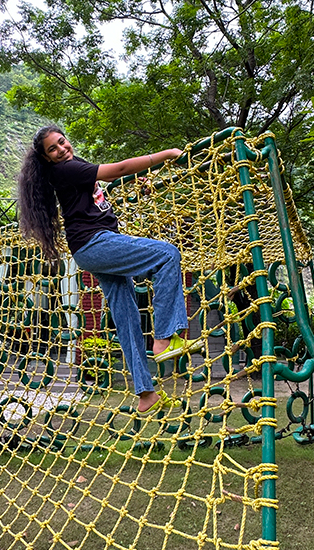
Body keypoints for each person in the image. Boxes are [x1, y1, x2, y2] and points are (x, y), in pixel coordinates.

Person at [16, 125, 199, 414]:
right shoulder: (66, 169)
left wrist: (139, 180)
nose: (61, 149)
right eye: (53, 149)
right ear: (46, 158)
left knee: (126, 317)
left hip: (92, 248)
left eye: (62, 142)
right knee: (167, 255)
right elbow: (119, 169)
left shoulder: (73, 167)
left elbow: (110, 181)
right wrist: (166, 154)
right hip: (95, 243)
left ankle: (145, 393)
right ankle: (164, 338)